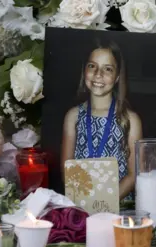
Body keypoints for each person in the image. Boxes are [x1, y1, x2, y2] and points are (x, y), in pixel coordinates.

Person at [61, 38, 143, 200]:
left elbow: (134, 175)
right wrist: (86, 202)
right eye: (92, 66)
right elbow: (66, 169)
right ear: (84, 70)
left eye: (108, 69)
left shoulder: (131, 120)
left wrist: (105, 201)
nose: (98, 74)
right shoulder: (73, 116)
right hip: (81, 202)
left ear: (118, 76)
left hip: (118, 206)